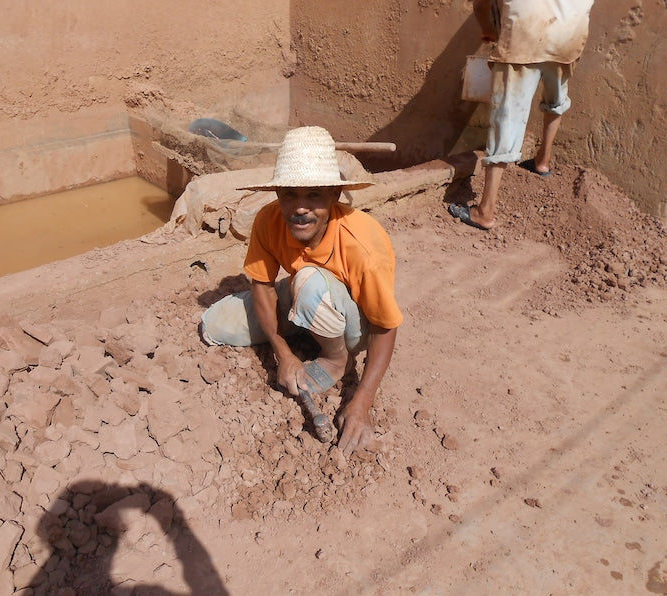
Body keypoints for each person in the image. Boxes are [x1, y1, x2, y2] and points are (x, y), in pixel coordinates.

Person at [200, 126, 403, 456]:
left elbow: (385, 325)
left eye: (314, 195)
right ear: (278, 193)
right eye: (290, 194)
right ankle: (306, 331)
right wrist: (284, 354)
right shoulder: (268, 220)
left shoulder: (362, 244)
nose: (300, 208)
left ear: (334, 197)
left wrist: (362, 400)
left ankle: (337, 359)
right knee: (214, 324)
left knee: (308, 280)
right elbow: (263, 287)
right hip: (304, 293)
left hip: (353, 323)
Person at [449, 0, 595, 230]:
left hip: (524, 38)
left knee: (505, 120)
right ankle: (543, 162)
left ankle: (485, 211)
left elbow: (481, 6)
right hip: (568, 38)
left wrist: (488, 30)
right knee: (556, 99)